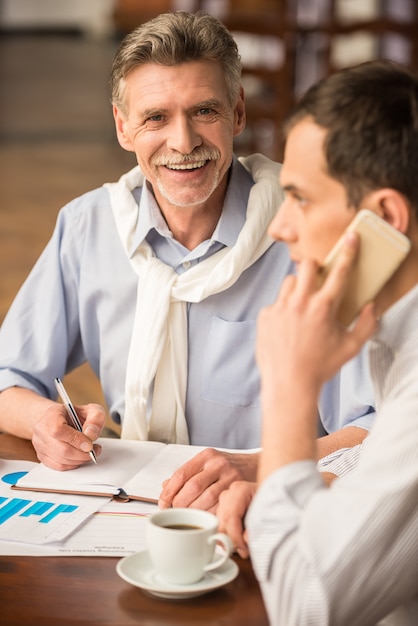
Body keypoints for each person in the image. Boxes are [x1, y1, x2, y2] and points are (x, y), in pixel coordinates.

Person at [0, 11, 373, 511]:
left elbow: (379, 427)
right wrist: (42, 421)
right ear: (123, 126)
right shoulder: (88, 227)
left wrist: (259, 466)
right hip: (125, 504)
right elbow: (9, 376)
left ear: (238, 112)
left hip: (269, 513)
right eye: (156, 117)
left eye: (204, 112)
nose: (183, 142)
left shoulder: (308, 233)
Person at [218, 60, 418, 624]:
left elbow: (303, 609)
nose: (281, 228)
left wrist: (288, 390)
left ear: (384, 218)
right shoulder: (396, 331)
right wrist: (315, 482)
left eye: (301, 199)